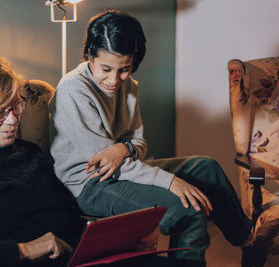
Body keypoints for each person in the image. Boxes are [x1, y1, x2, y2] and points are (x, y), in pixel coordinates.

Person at [0, 55, 174, 267]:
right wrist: (25, 250)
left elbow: (70, 214)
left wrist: (123, 237)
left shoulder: (30, 153)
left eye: (15, 106)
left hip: (80, 256)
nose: (12, 120)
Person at [49, 10, 255, 267]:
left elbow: (139, 145)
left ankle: (249, 242)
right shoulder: (73, 90)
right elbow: (103, 164)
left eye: (125, 69)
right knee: (188, 209)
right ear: (90, 55)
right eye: (106, 68)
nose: (114, 80)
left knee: (207, 167)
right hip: (89, 184)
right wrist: (171, 182)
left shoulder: (129, 87)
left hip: (120, 171)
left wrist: (122, 149)